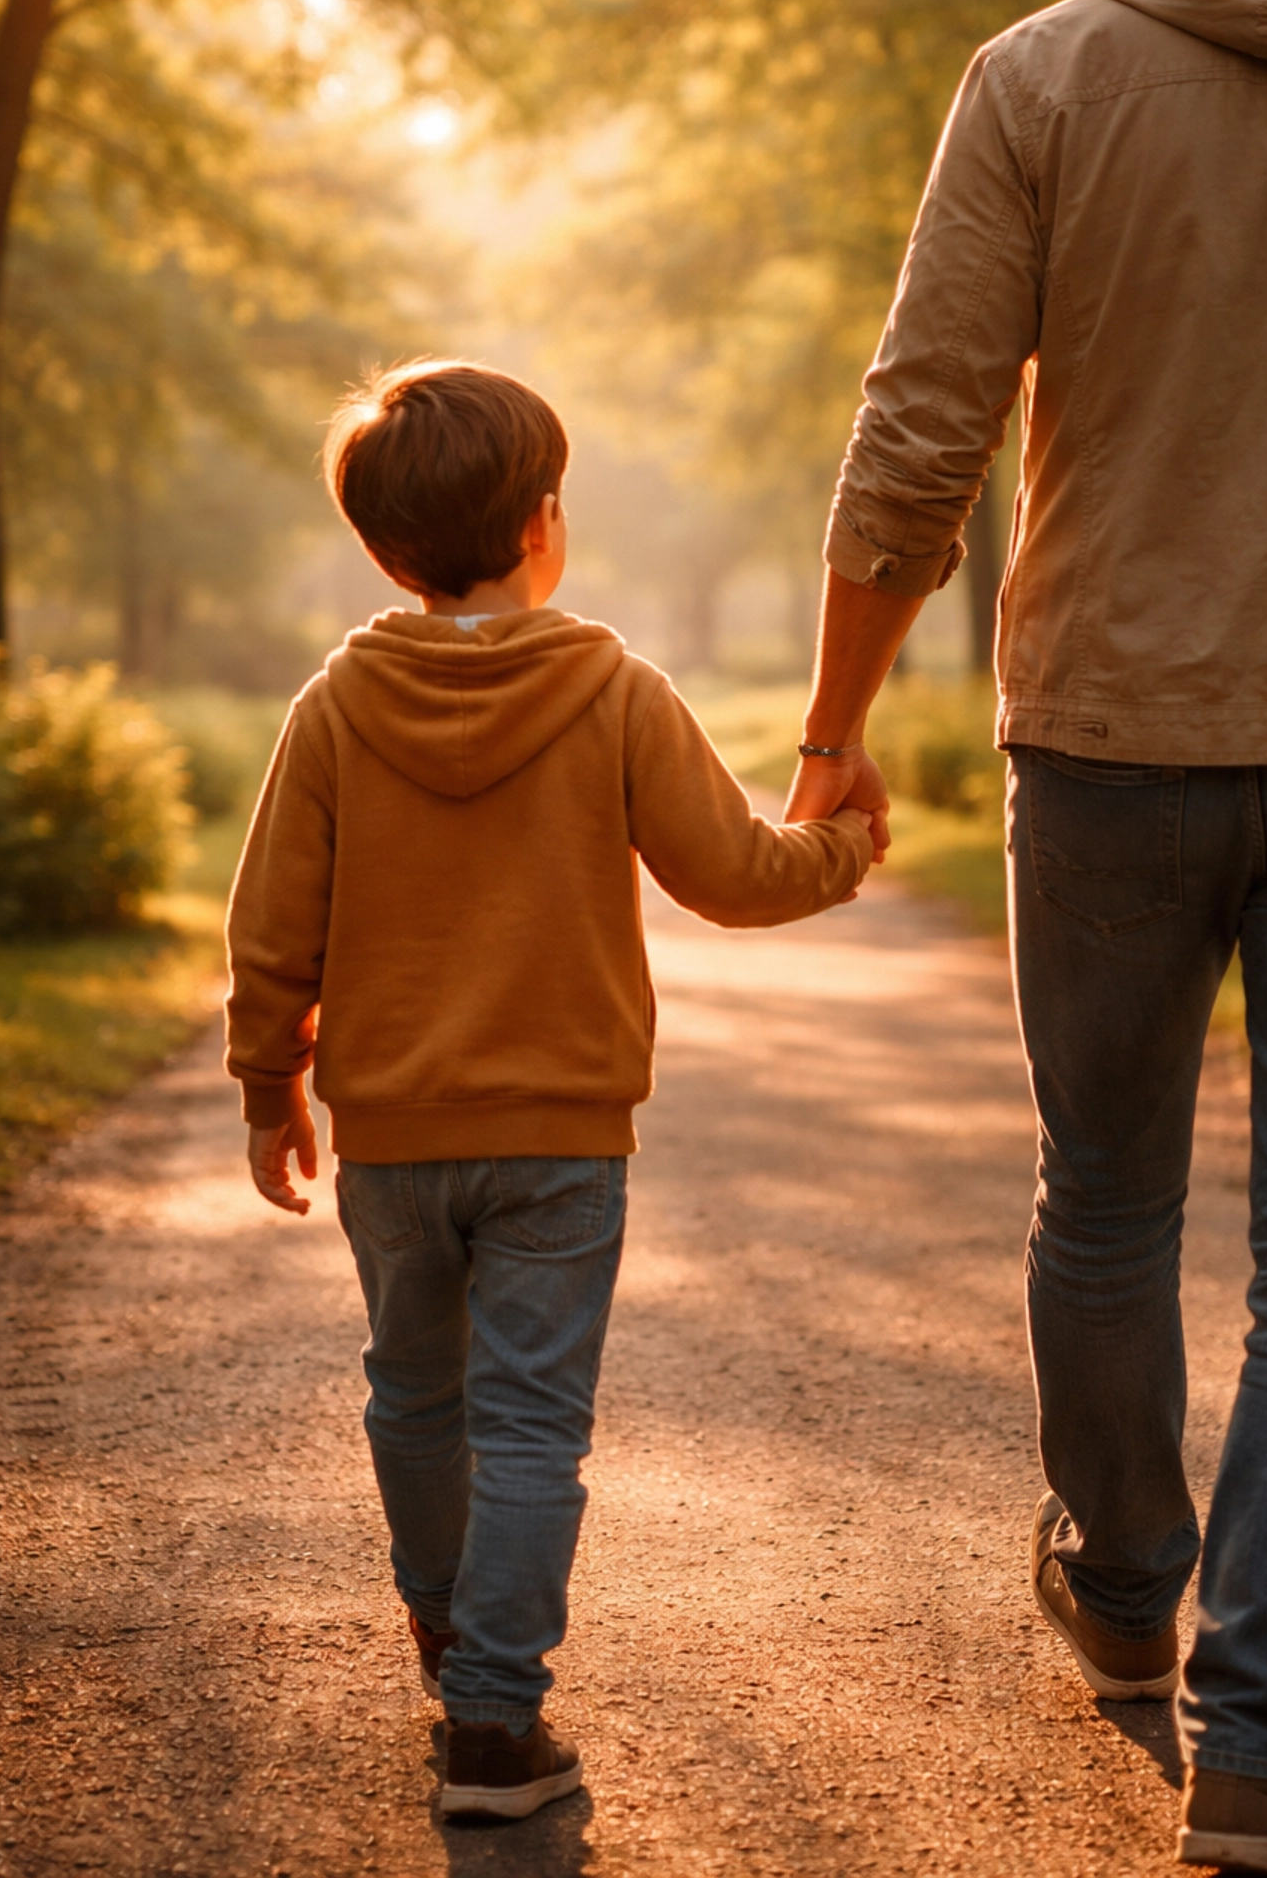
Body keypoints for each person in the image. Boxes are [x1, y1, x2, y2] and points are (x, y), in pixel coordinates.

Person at [785, 0, 1267, 1875]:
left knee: (1114, 1192)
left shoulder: (1044, 73)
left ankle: (1132, 1602)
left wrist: (838, 728)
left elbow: (918, 432)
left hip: (1118, 734)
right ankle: (1264, 1742)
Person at [225, 360, 878, 1822]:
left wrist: (274, 1086)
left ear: (383, 554)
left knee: (413, 1391)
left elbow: (269, 928)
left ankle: (449, 1634)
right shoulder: (611, 691)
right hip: (564, 1145)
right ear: (547, 525)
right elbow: (734, 874)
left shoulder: (334, 710)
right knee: (528, 1424)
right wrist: (849, 839)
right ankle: (496, 1727)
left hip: (391, 1137)